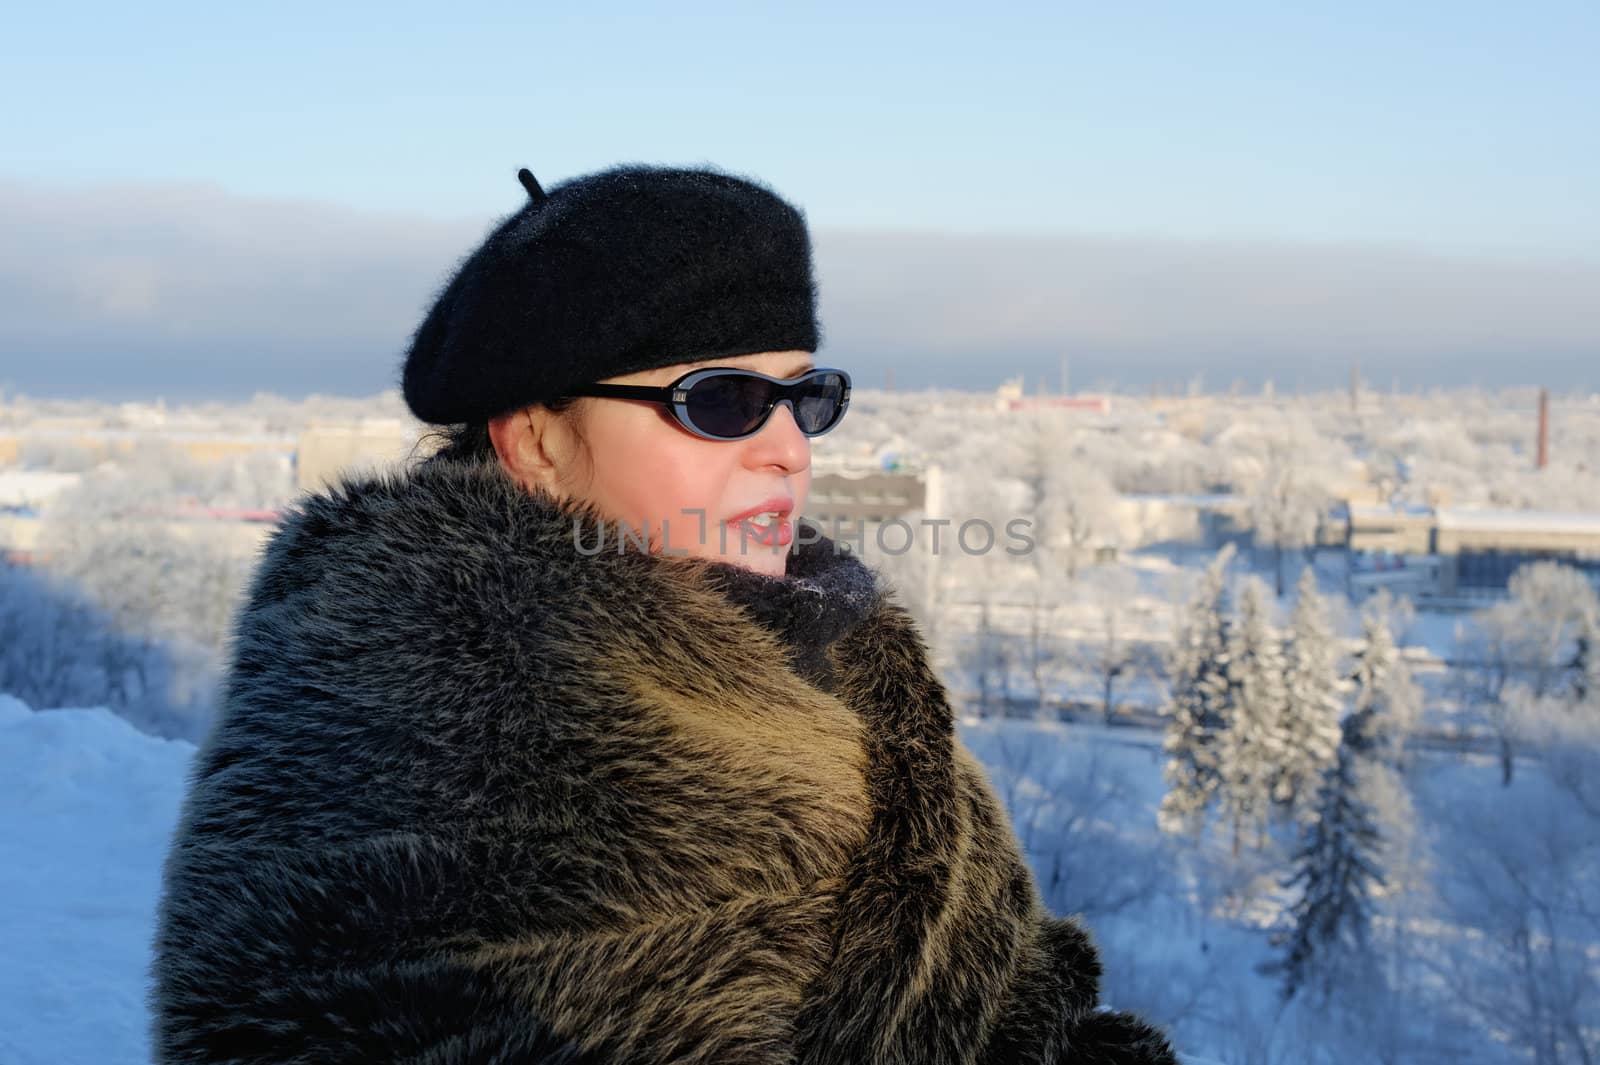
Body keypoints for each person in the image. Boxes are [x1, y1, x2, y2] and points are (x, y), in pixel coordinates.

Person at [150, 163, 1178, 1064]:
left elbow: (1023, 1002)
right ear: (539, 444)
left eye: (804, 398)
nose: (788, 448)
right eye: (722, 402)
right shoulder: (391, 727)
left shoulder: (852, 664)